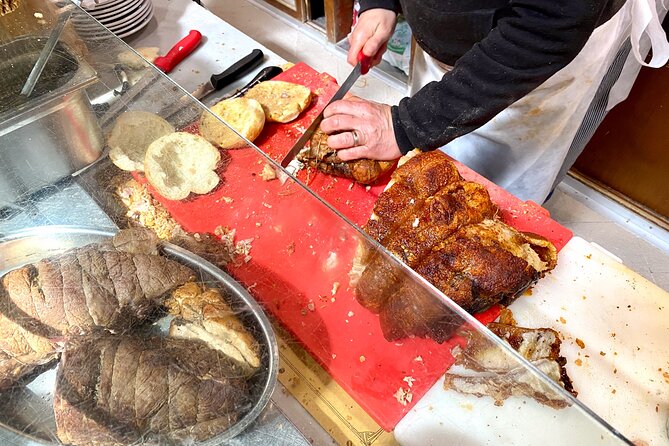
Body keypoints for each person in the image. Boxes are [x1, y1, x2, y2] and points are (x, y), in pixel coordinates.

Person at [319, 0, 669, 203]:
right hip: (464, 29)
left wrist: (407, 125)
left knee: (502, 204)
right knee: (428, 172)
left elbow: (547, 25)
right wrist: (380, 2)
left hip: (546, 54)